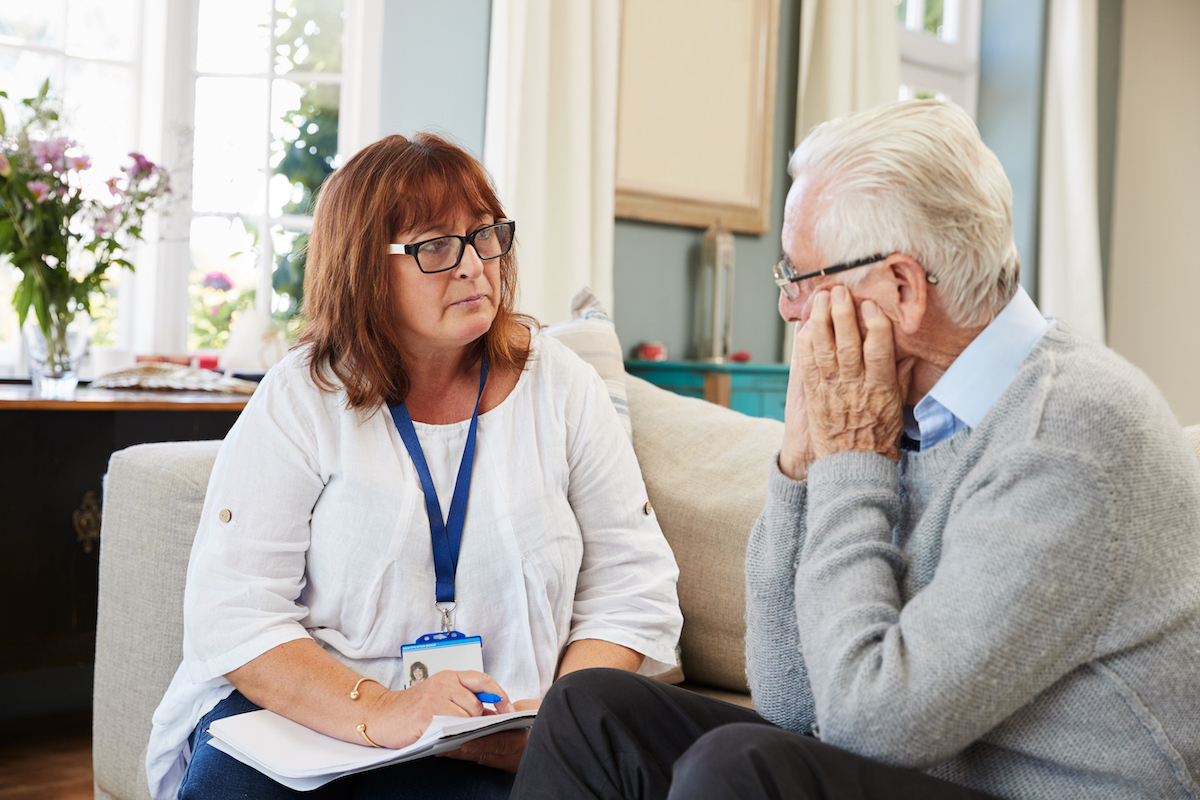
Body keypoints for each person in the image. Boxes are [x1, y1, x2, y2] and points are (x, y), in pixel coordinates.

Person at [508, 99, 1200, 800]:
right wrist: (798, 470)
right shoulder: (902, 408)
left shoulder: (1069, 435)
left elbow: (872, 726)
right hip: (920, 768)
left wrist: (851, 465)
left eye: (799, 277)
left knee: (739, 770)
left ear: (900, 287)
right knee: (590, 712)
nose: (786, 308)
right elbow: (789, 699)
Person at [144, 132, 683, 800]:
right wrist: (380, 709)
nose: (473, 265)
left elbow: (632, 587)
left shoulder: (560, 385)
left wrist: (558, 731)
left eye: (484, 235)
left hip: (507, 735)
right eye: (434, 246)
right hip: (319, 724)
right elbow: (235, 611)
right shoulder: (300, 397)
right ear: (362, 268)